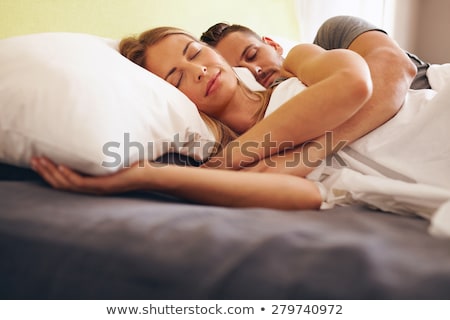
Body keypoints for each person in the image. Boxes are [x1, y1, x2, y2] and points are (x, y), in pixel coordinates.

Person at [29, 26, 374, 210]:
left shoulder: (296, 68)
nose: (198, 70)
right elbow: (308, 196)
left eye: (195, 53)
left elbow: (354, 83)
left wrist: (236, 158)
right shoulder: (220, 157)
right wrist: (150, 175)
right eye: (176, 79)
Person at [200, 16, 421, 175]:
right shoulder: (271, 111)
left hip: (426, 92)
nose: (254, 71)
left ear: (274, 45)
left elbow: (396, 66)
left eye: (252, 55)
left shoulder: (330, 37)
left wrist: (305, 155)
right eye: (239, 71)